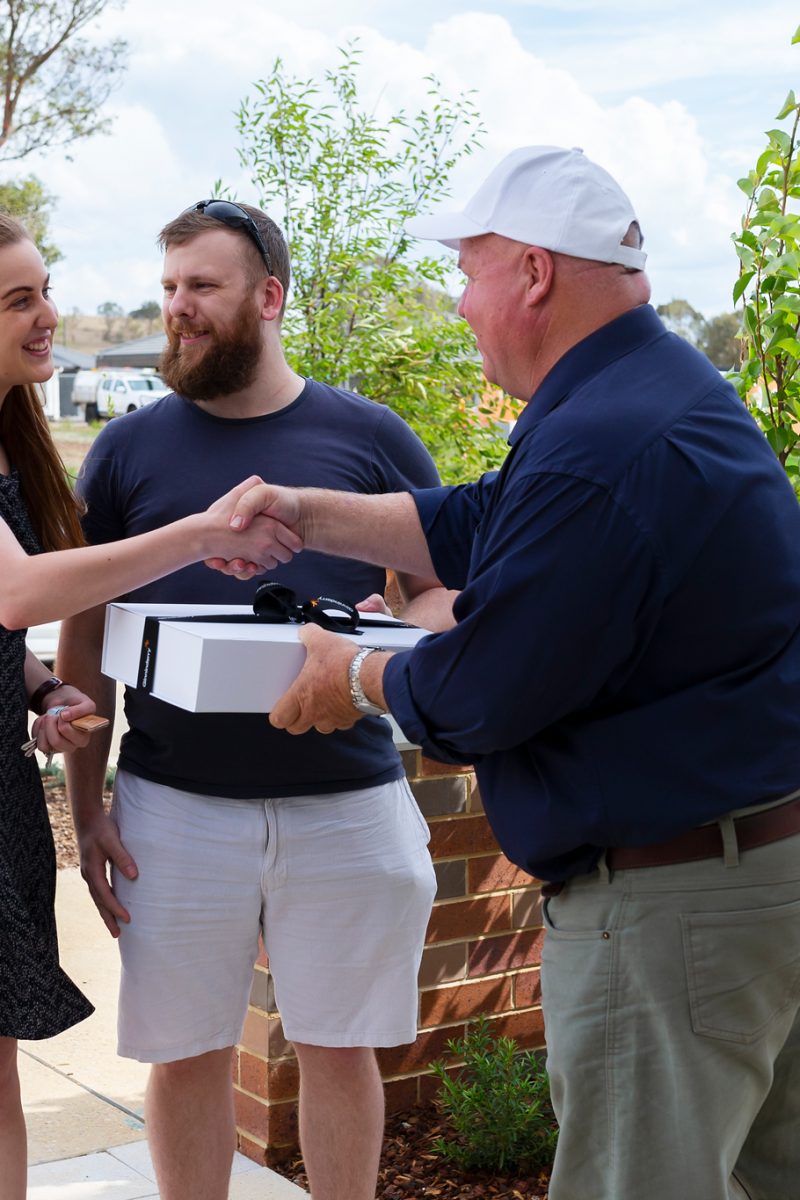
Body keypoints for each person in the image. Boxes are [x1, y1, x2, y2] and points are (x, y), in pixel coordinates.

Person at [221, 147, 800, 1200]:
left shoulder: (599, 444)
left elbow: (478, 697)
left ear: (534, 273)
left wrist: (348, 674)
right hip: (755, 871)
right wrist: (306, 512)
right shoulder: (654, 390)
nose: (457, 303)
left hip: (671, 909)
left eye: (467, 270)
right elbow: (483, 518)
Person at [58, 199, 441, 1200]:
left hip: (348, 802)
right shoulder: (127, 449)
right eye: (169, 287)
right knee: (184, 1052)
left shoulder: (371, 435)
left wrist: (400, 628)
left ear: (268, 298)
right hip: (173, 808)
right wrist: (88, 807)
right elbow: (85, 635)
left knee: (339, 1046)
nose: (177, 308)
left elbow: (440, 588)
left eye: (203, 286)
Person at [0, 211, 295, 1200]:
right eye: (20, 300)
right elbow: (18, 593)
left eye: (45, 289)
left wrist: (41, 685)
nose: (50, 315)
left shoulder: (13, 439)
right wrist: (199, 534)